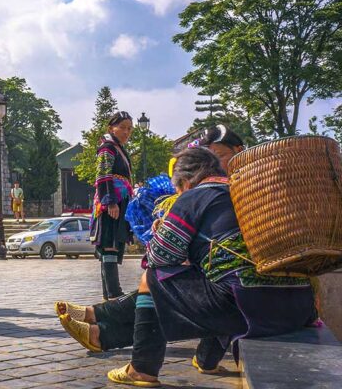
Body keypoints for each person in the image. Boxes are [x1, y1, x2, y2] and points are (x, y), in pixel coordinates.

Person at [58, 148, 315, 387]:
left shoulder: (196, 196)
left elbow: (159, 258)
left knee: (154, 279)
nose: (178, 194)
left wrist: (160, 233)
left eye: (177, 188)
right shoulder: (247, 193)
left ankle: (140, 366)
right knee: (213, 277)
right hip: (298, 307)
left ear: (186, 181)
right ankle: (100, 328)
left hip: (247, 305)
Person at [91, 111, 134, 300]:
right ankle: (113, 292)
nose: (126, 132)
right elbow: (103, 175)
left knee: (113, 244)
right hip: (111, 201)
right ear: (111, 128)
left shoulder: (118, 149)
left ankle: (109, 293)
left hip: (119, 201)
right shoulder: (107, 147)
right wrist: (110, 202)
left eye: (129, 129)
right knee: (109, 244)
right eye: (122, 127)